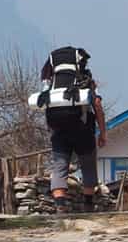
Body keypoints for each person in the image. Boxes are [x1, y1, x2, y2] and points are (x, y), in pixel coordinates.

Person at [37, 46, 107, 213]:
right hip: (83, 129)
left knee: (59, 168)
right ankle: (88, 206)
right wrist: (103, 132)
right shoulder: (86, 79)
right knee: (88, 165)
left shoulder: (50, 83)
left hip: (59, 130)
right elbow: (97, 104)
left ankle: (60, 208)